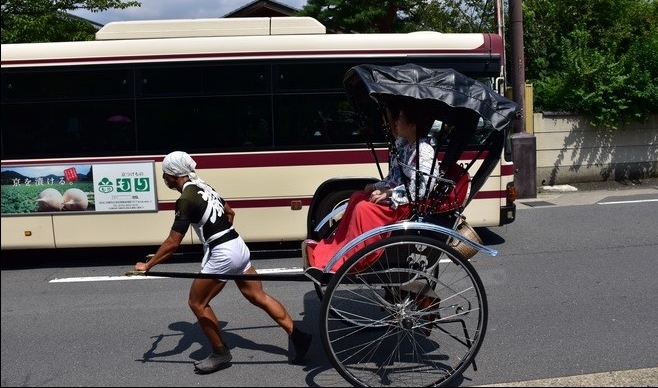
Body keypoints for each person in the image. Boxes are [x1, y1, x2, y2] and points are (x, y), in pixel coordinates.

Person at [134, 151, 312, 375]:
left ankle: (220, 352)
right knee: (258, 296)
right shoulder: (205, 187)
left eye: (165, 174)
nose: (164, 179)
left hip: (223, 252)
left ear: (173, 175)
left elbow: (172, 243)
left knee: (197, 303)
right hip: (237, 244)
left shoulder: (186, 199)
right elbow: (230, 212)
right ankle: (299, 335)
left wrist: (148, 265)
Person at [308, 103, 437, 272]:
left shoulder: (424, 151)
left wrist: (389, 194)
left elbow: (421, 189)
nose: (396, 122)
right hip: (400, 197)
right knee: (357, 197)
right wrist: (378, 186)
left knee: (363, 209)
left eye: (400, 119)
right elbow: (395, 178)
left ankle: (355, 257)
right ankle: (339, 248)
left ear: (412, 125)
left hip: (406, 204)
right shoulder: (407, 146)